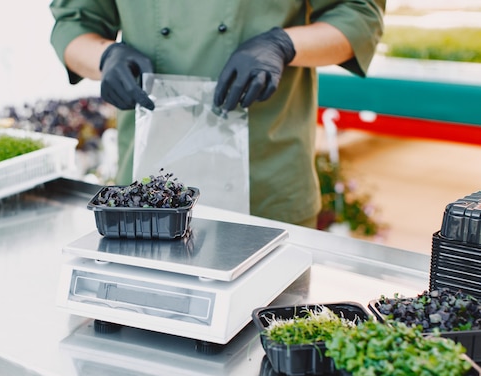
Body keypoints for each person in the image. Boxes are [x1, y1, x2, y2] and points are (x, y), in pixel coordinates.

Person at [49, 1, 385, 227]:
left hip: (267, 178)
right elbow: (74, 24)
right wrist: (106, 57)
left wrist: (282, 45)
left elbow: (358, 15)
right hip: (145, 176)